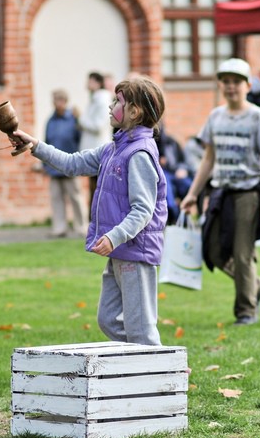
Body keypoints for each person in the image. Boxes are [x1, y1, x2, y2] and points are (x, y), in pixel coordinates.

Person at [11, 75, 168, 346]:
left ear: (134, 111)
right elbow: (72, 164)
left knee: (140, 329)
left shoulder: (139, 154)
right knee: (108, 320)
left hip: (135, 252)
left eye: (117, 101)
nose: (109, 106)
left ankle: (164, 371)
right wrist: (35, 146)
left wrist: (113, 236)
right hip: (119, 251)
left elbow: (143, 210)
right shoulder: (113, 149)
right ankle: (153, 360)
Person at [180, 58, 260, 326]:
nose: (231, 87)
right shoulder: (216, 116)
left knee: (242, 251)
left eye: (236, 82)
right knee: (212, 250)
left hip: (249, 192)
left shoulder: (258, 117)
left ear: (247, 85)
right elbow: (208, 159)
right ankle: (255, 286)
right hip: (221, 191)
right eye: (226, 81)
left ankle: (246, 311)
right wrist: (192, 193)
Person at [43, 89, 85, 237]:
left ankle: (80, 226)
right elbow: (47, 142)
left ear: (65, 101)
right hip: (54, 166)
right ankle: (59, 227)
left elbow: (80, 140)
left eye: (60, 100)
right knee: (56, 198)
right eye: (55, 100)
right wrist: (45, 165)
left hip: (70, 164)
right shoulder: (50, 121)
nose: (57, 103)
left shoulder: (73, 119)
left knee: (75, 197)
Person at [78, 71, 113, 205]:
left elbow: (99, 126)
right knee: (93, 187)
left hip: (98, 148)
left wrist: (81, 120)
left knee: (98, 187)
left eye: (90, 81)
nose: (87, 84)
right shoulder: (95, 98)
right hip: (93, 148)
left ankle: (96, 218)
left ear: (97, 83)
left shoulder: (102, 99)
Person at [157, 127, 193, 224]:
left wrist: (182, 169)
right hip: (163, 175)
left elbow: (182, 161)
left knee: (187, 184)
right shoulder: (149, 144)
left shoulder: (171, 142)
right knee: (167, 189)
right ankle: (174, 215)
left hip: (175, 174)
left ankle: (183, 213)